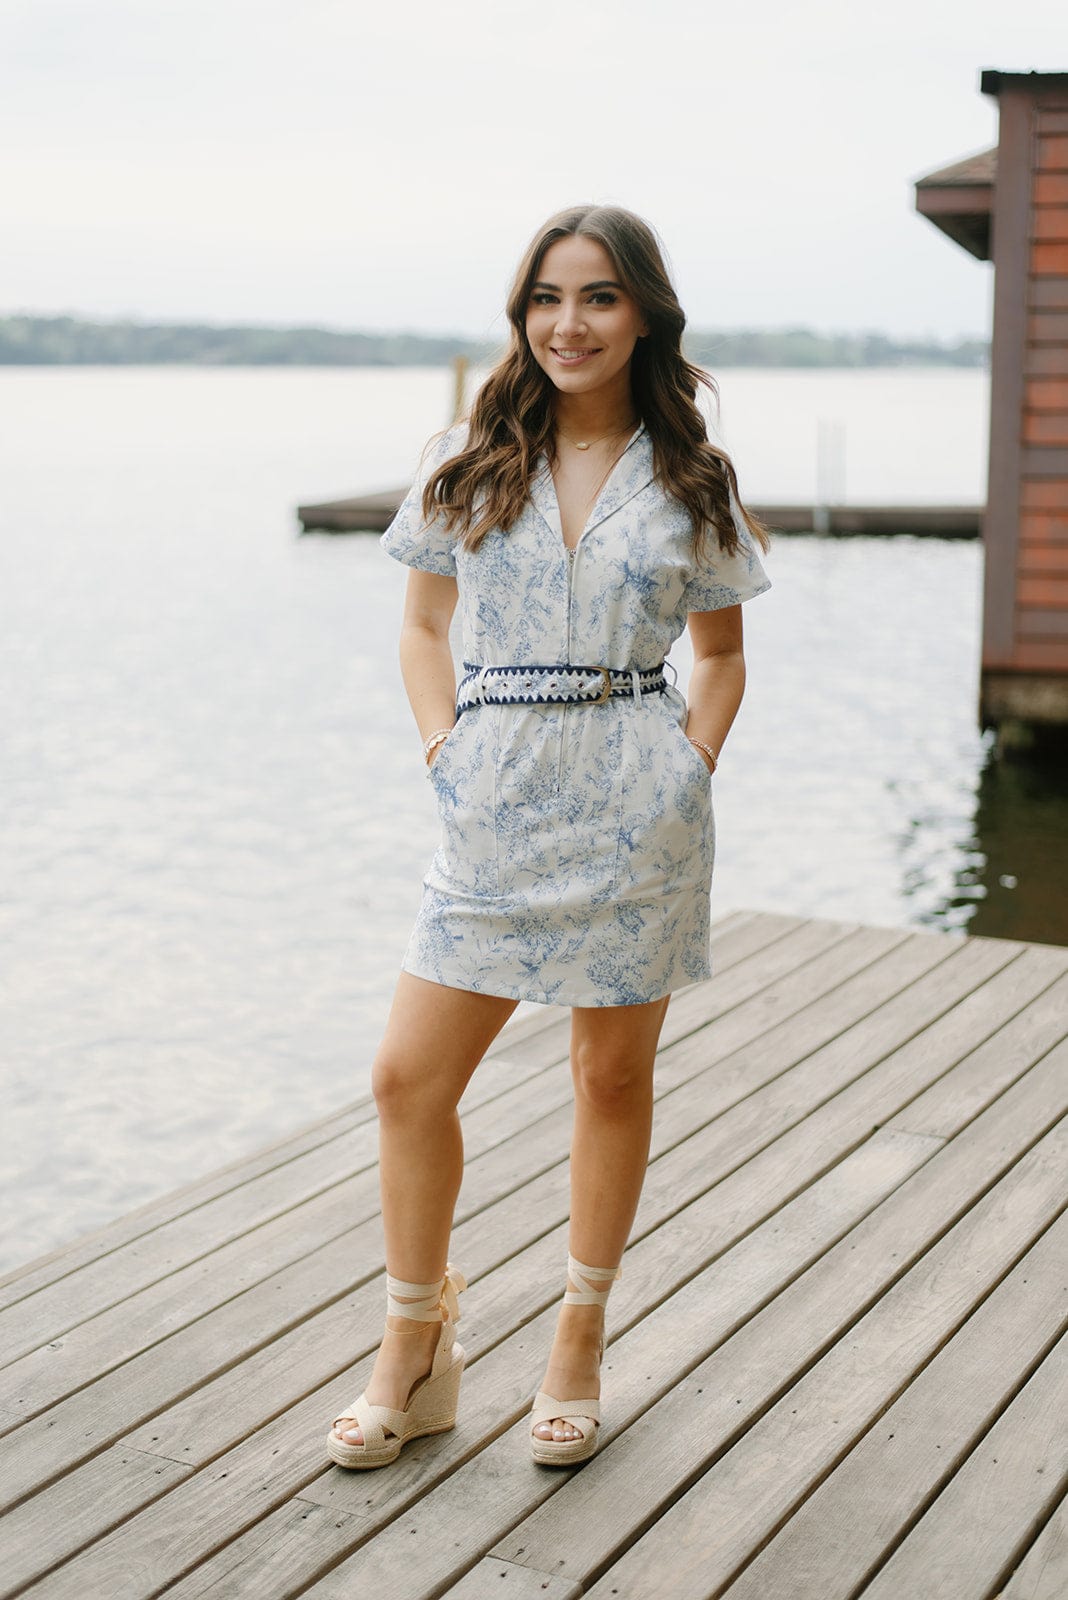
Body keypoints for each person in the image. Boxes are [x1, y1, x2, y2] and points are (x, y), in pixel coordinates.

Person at [327, 203, 771, 1471]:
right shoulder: (471, 456)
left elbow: (723, 657)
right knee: (408, 1078)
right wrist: (440, 748)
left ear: (644, 315)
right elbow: (420, 628)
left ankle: (577, 1340)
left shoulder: (692, 479)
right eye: (545, 299)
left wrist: (689, 768)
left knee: (609, 1078)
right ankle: (416, 1349)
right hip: (492, 798)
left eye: (597, 298)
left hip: (640, 800)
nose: (568, 325)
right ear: (522, 317)